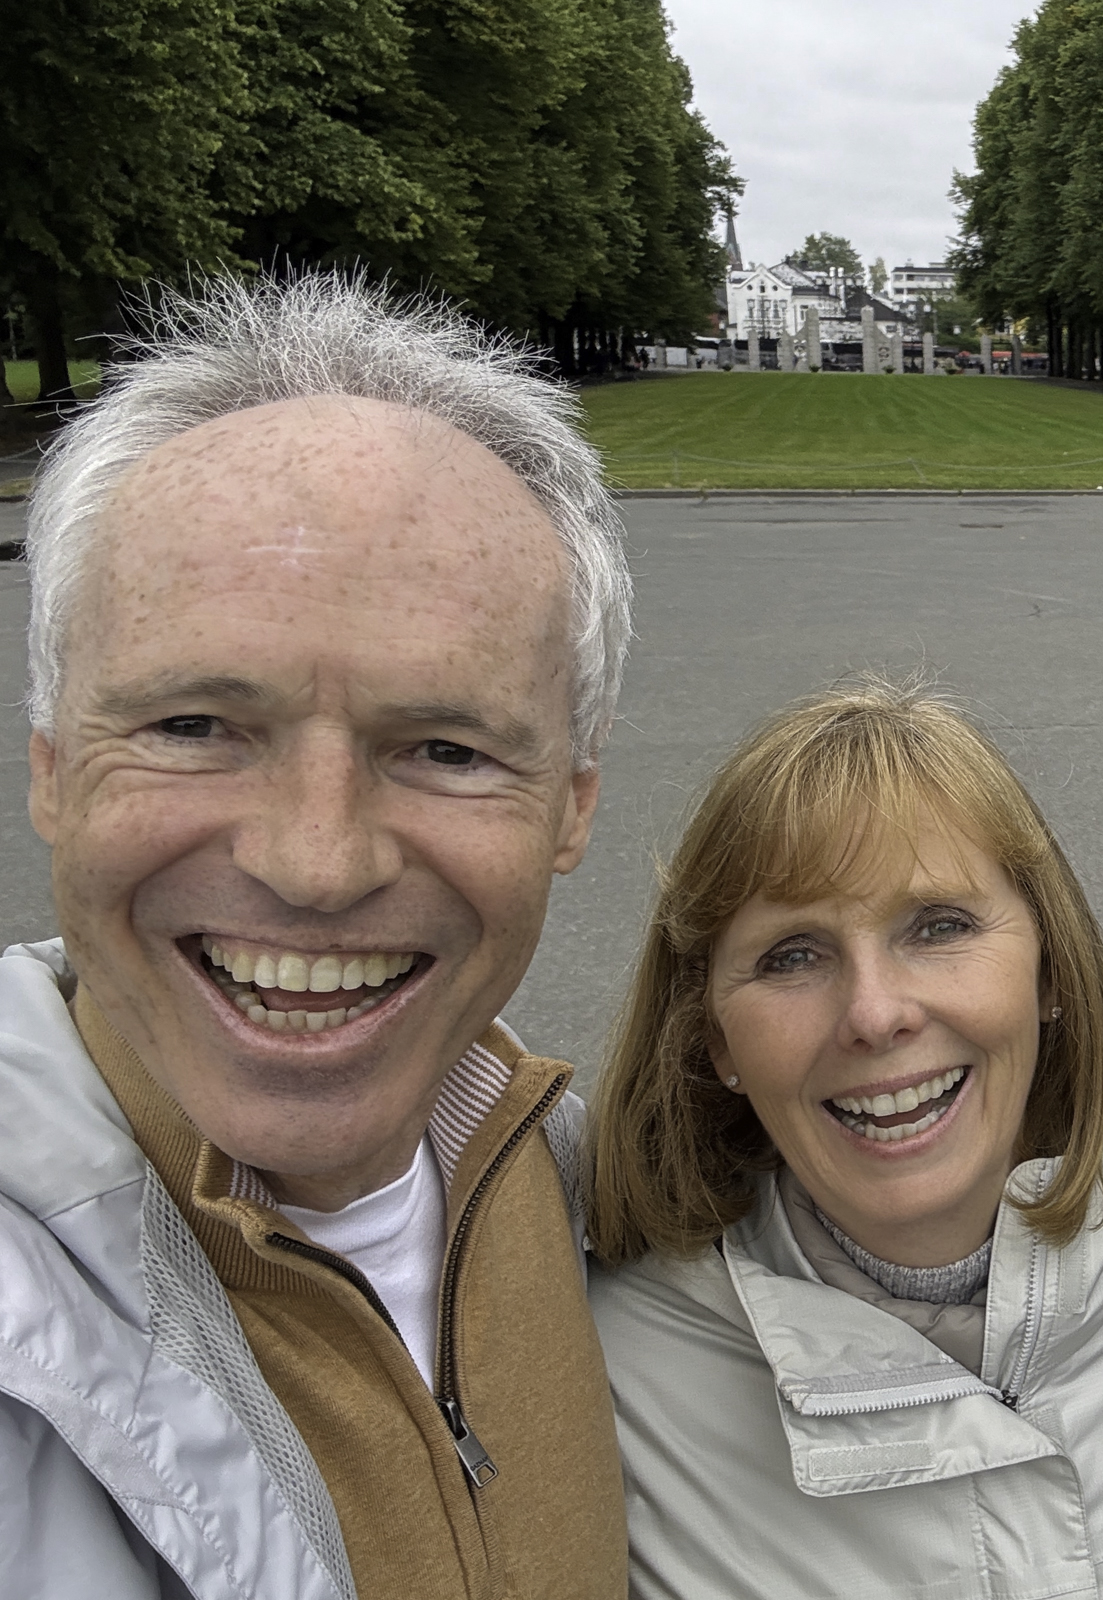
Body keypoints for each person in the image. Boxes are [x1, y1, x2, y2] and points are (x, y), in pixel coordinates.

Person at [0, 274, 632, 1597]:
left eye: (446, 748)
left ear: (569, 810)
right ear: (52, 771)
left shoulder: (594, 1198)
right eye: (193, 728)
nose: (317, 861)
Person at [588, 683, 1103, 1600]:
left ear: (1049, 973)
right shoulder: (612, 1376)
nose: (875, 1013)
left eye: (939, 927)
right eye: (792, 954)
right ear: (714, 1039)